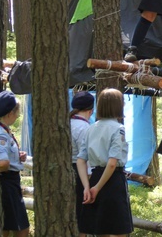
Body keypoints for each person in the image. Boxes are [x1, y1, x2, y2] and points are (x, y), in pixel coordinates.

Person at [77, 88, 133, 236]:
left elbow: (81, 159)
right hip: (113, 180)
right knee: (120, 229)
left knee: (100, 228)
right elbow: (112, 163)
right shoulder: (119, 128)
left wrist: (87, 186)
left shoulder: (90, 128)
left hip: (95, 176)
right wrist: (97, 188)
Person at [0, 91, 29, 237]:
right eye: (17, 113)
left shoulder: (4, 130)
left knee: (12, 225)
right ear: (10, 113)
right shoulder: (1, 133)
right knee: (18, 227)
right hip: (7, 183)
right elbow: (3, 163)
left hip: (11, 182)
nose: (17, 116)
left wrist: (17, 156)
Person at [70, 91, 94, 237]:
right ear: (91, 110)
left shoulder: (66, 122)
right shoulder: (84, 128)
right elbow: (86, 157)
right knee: (81, 216)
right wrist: (88, 181)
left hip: (65, 169)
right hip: (80, 172)